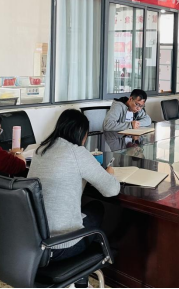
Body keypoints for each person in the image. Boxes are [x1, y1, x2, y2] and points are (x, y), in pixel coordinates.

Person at [28, 109, 120, 276]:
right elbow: (111, 190)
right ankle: (82, 271)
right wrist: (110, 174)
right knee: (97, 208)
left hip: (33, 244)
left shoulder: (40, 150)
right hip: (61, 247)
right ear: (82, 134)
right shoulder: (76, 152)